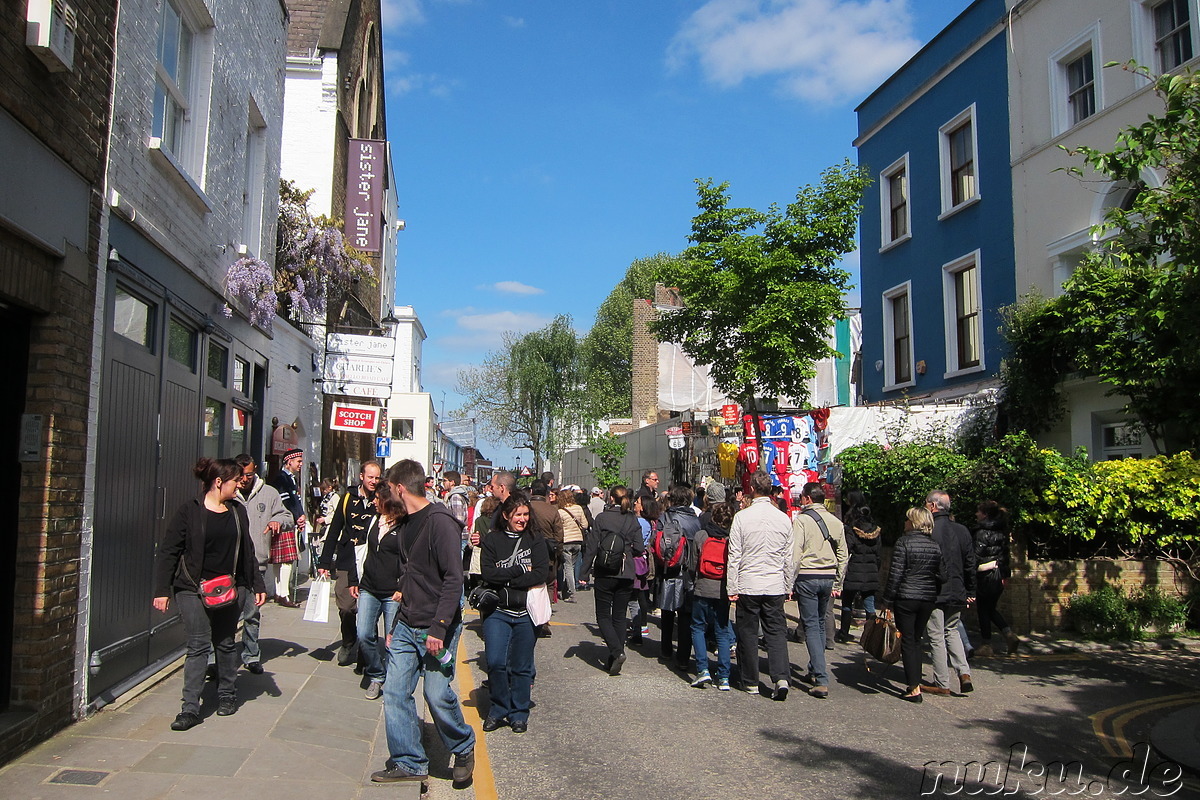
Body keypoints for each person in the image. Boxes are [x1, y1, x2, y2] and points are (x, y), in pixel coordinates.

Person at [373, 460, 475, 786]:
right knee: (395, 691)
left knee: (435, 693)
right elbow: (408, 578)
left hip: (436, 625)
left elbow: (453, 579)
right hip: (406, 623)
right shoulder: (405, 524)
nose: (388, 494)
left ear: (400, 487)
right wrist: (393, 627)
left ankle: (463, 745)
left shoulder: (440, 522)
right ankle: (409, 761)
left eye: (390, 488)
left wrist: (439, 627)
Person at [153, 458, 266, 731]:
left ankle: (227, 695)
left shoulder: (238, 511)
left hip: (230, 589)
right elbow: (170, 551)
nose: (241, 483)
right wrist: (162, 590)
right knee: (199, 645)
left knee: (226, 642)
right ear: (218, 482)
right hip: (192, 588)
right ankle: (189, 709)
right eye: (235, 480)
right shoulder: (188, 513)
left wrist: (257, 585)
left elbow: (248, 552)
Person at [479, 493, 549, 733]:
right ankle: (498, 708)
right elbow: (488, 574)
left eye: (526, 514)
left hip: (526, 612)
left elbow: (541, 573)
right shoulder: (493, 540)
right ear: (506, 515)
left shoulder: (535, 540)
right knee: (496, 662)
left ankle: (519, 713)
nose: (522, 519)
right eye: (518, 515)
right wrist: (519, 570)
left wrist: (509, 580)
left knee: (521, 667)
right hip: (497, 610)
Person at [727, 471, 793, 698]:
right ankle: (781, 677)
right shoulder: (783, 519)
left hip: (748, 582)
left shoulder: (742, 517)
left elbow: (734, 555)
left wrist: (731, 587)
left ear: (753, 489)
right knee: (776, 632)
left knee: (747, 632)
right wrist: (788, 585)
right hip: (774, 583)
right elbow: (788, 557)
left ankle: (750, 680)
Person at [231, 454, 292, 674]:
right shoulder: (229, 493)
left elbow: (288, 516)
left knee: (251, 614)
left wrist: (278, 520)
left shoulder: (269, 493)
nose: (244, 479)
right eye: (240, 475)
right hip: (230, 565)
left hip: (256, 562)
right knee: (223, 615)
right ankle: (216, 659)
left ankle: (251, 655)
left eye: (248, 474)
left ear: (255, 469)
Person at [317, 462, 382, 668]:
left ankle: (366, 651)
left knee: (367, 607)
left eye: (377, 478)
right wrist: (324, 562)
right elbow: (334, 530)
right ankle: (348, 640)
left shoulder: (381, 500)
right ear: (361, 476)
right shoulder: (347, 498)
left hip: (371, 560)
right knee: (345, 607)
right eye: (370, 477)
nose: (373, 481)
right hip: (347, 559)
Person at [790, 482, 848, 699]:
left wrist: (789, 581)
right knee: (821, 623)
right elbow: (843, 554)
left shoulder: (802, 521)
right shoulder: (836, 522)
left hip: (807, 575)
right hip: (828, 576)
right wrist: (838, 582)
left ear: (806, 498)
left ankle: (821, 678)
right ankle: (816, 668)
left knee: (812, 625)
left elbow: (795, 553)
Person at [881, 506, 944, 703]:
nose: (905, 522)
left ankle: (913, 687)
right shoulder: (934, 545)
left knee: (907, 641)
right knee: (916, 640)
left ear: (914, 522)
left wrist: (887, 601)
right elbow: (943, 575)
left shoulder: (903, 543)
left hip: (906, 596)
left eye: (908, 519)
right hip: (927, 598)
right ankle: (915, 681)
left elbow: (896, 575)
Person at [581, 485, 644, 675]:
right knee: (619, 616)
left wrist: (584, 572)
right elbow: (640, 547)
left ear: (611, 499)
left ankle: (617, 652)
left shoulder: (602, 518)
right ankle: (613, 657)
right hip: (625, 572)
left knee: (603, 615)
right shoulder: (632, 519)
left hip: (605, 570)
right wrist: (624, 551)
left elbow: (592, 546)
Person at [356, 480, 406, 700]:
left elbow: (410, 561)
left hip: (392, 592)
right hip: (369, 587)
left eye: (377, 498)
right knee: (364, 634)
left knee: (391, 640)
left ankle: (391, 680)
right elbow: (364, 550)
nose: (374, 501)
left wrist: (402, 587)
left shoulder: (404, 527)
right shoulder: (375, 521)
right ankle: (376, 674)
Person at [923, 490, 977, 696]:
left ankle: (942, 682)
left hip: (936, 591)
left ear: (933, 506)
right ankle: (964, 673)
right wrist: (971, 590)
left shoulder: (929, 530)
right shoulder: (962, 530)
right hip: (958, 589)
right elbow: (970, 563)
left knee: (936, 635)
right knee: (952, 631)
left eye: (927, 503)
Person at [689, 502, 734, 691]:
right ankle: (724, 677)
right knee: (722, 632)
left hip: (702, 587)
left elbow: (692, 565)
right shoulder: (731, 539)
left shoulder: (701, 536)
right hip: (723, 590)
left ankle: (703, 670)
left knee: (698, 627)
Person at [657, 483, 702, 671]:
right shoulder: (696, 520)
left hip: (670, 568)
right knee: (686, 614)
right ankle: (684, 656)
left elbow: (656, 541)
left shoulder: (665, 517)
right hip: (689, 570)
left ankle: (666, 648)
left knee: (667, 611)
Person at [973, 500, 1020, 657]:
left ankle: (986, 644)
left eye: (978, 511)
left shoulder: (982, 532)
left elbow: (976, 556)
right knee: (990, 608)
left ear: (985, 514)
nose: (976, 514)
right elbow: (1005, 555)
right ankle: (1008, 634)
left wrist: (969, 574)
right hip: (998, 575)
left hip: (985, 575)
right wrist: (1005, 575)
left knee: (983, 610)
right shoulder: (1002, 531)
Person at [836, 490, 882, 645]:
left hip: (854, 570)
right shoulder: (876, 530)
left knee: (847, 603)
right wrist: (876, 569)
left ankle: (844, 633)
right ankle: (870, 636)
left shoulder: (851, 528)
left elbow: (847, 548)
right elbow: (879, 554)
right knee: (870, 604)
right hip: (870, 572)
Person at [267, 448, 307, 606]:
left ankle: (279, 592)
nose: (300, 464)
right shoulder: (282, 478)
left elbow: (295, 500)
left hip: (289, 521)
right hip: (285, 521)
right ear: (289, 461)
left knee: (281, 560)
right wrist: (298, 516)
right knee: (287, 559)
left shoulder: (289, 478)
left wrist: (301, 515)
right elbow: (287, 502)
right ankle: (284, 594)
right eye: (298, 461)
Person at [629, 496, 659, 644]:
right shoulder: (650, 522)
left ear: (643, 507)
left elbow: (635, 543)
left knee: (632, 597)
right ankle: (641, 626)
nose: (635, 503)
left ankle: (638, 628)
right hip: (643, 561)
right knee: (640, 595)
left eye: (638, 502)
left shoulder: (639, 522)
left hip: (635, 561)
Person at [557, 487, 588, 603]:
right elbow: (585, 525)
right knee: (572, 567)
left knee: (568, 568)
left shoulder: (560, 511)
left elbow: (559, 528)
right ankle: (566, 591)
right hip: (578, 541)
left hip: (566, 541)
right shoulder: (579, 508)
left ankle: (572, 594)